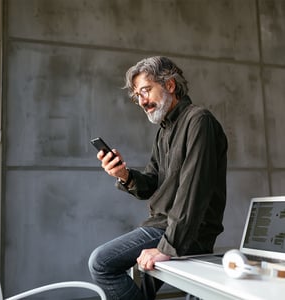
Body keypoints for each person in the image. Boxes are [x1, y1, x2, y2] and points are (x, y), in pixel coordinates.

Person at [88, 56, 228, 300]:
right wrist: (124, 175)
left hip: (182, 231)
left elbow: (192, 192)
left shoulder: (199, 121)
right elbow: (151, 183)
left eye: (145, 91)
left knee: (101, 263)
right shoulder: (164, 131)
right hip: (165, 227)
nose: (142, 101)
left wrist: (168, 247)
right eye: (137, 96)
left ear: (170, 86)